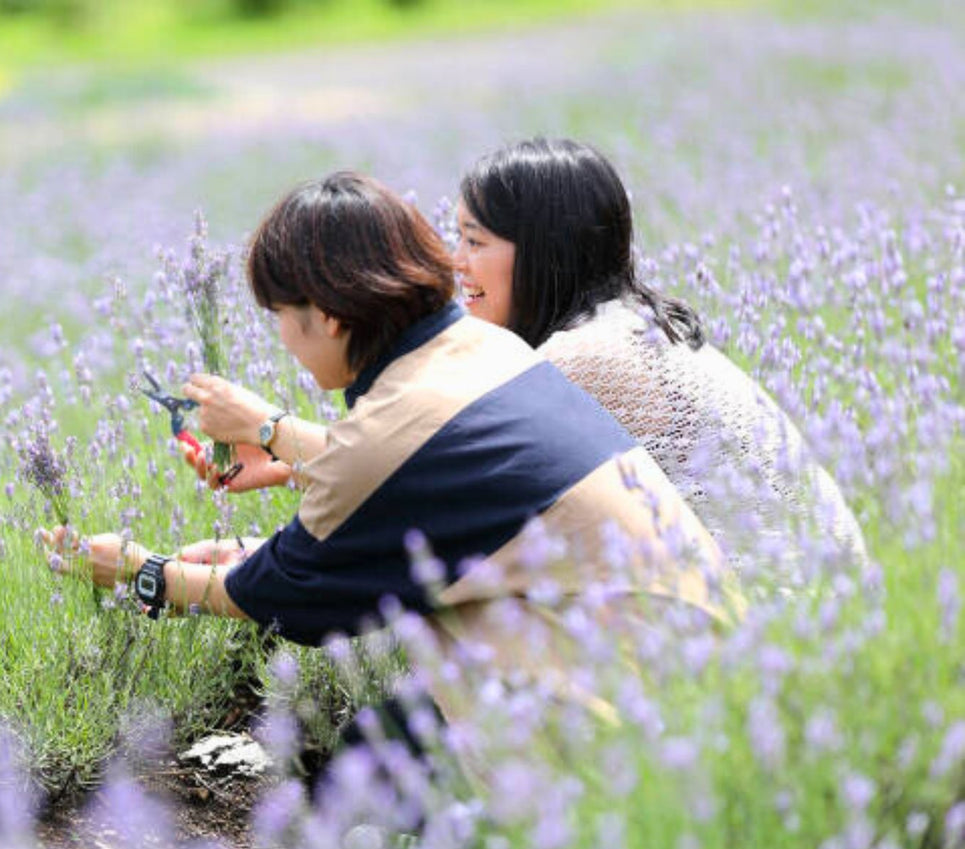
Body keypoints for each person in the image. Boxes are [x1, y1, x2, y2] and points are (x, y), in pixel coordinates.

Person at [42, 171, 733, 724]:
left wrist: (139, 572)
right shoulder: (486, 348)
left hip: (638, 724)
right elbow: (425, 465)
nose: (281, 338)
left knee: (363, 777)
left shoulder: (386, 437)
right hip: (710, 668)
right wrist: (275, 439)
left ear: (330, 317)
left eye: (281, 317)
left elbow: (279, 596)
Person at [181, 139, 866, 587]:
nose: (454, 263)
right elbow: (430, 478)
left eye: (474, 241)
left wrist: (271, 432)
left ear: (539, 251)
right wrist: (291, 463)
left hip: (774, 643)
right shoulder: (625, 325)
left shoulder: (583, 359)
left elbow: (427, 489)